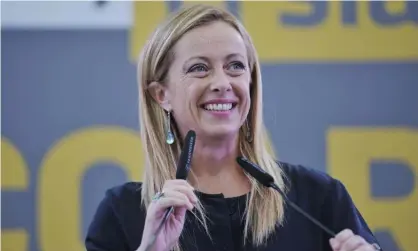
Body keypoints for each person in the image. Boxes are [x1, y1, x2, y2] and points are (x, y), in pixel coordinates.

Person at [85, 4, 382, 251]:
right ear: (161, 94)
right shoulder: (122, 213)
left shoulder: (319, 197)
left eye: (236, 66)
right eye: (199, 68)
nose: (222, 83)